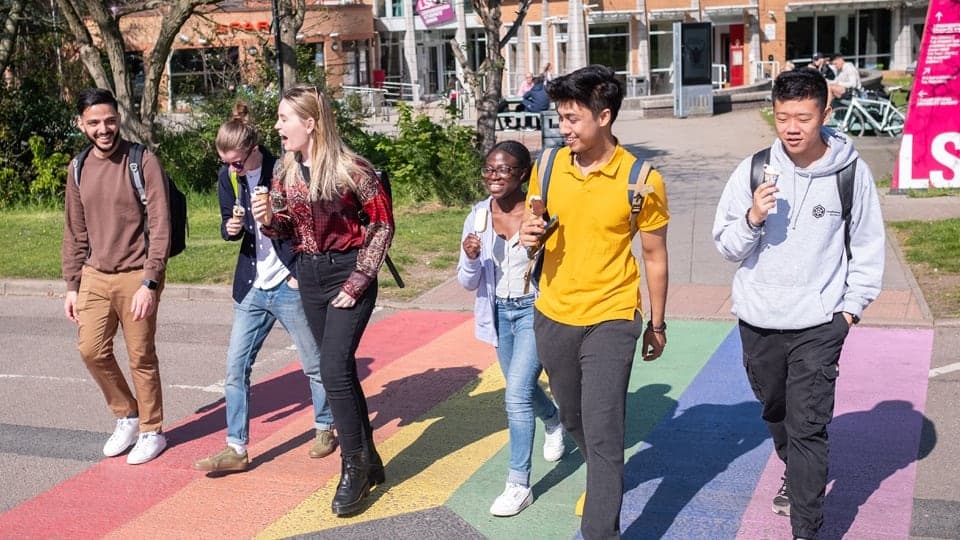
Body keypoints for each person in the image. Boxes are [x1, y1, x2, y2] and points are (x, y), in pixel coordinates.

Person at [711, 67, 884, 540]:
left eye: (803, 117)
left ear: (825, 113)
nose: (791, 127)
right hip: (758, 318)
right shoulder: (753, 169)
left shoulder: (849, 172)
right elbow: (726, 246)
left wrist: (849, 311)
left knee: (809, 426)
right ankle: (791, 463)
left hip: (820, 322)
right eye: (783, 116)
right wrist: (752, 216)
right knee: (775, 409)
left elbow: (867, 244)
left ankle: (807, 528)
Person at [519, 65, 670, 539]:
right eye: (560, 118)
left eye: (573, 119)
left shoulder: (642, 180)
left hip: (613, 314)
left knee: (605, 429)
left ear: (604, 116)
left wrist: (658, 324)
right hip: (554, 311)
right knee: (572, 417)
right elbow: (532, 223)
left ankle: (599, 527)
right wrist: (528, 236)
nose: (564, 129)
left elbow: (654, 256)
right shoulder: (546, 166)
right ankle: (604, 475)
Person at [254, 84, 394, 516]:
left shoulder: (354, 169)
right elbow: (283, 231)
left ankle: (352, 467)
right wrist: (267, 220)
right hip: (310, 273)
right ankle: (369, 459)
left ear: (310, 123)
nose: (278, 127)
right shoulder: (284, 171)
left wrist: (358, 280)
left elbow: (382, 225)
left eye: (284, 118)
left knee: (331, 369)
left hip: (349, 270)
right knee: (339, 371)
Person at [192, 102, 338, 473]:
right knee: (235, 368)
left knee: (313, 362)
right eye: (226, 162)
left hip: (288, 281)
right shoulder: (229, 178)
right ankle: (235, 448)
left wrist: (296, 271)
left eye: (237, 162)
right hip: (252, 284)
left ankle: (325, 427)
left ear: (253, 148)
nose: (231, 168)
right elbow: (229, 225)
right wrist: (231, 228)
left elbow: (306, 225)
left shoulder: (283, 169)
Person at [61, 88, 172, 465]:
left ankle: (152, 430)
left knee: (141, 355)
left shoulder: (143, 161)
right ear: (81, 124)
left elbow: (160, 224)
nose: (103, 129)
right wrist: (72, 284)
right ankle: (126, 414)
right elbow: (74, 231)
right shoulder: (78, 168)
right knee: (90, 350)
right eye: (94, 123)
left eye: (109, 121)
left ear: (118, 119)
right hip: (94, 275)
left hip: (137, 274)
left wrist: (151, 281)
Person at [458, 141, 566, 517]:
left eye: (503, 170)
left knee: (516, 395)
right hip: (499, 313)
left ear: (522, 174)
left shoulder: (539, 215)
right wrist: (472, 258)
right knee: (519, 388)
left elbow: (559, 268)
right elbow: (468, 282)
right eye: (489, 169)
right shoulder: (478, 217)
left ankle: (518, 484)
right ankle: (553, 419)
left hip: (535, 311)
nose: (493, 177)